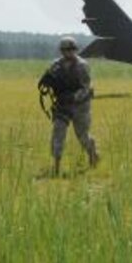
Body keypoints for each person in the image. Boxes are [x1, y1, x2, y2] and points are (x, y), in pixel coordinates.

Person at [38, 36, 99, 176]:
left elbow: (86, 88)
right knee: (58, 133)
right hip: (62, 105)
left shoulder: (82, 66)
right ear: (61, 51)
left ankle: (92, 155)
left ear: (75, 50)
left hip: (81, 106)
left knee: (82, 135)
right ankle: (56, 166)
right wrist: (46, 82)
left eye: (71, 49)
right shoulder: (55, 65)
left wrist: (73, 97)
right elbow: (48, 79)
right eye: (66, 50)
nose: (68, 52)